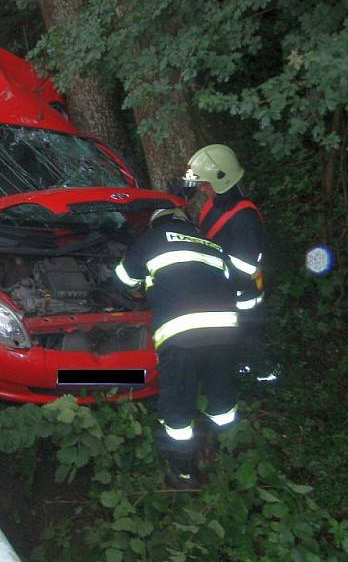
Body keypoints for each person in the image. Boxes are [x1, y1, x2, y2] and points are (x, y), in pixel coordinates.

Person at [114, 207, 240, 489]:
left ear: (155, 223)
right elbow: (231, 284)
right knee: (221, 395)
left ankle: (183, 473)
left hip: (181, 335)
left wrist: (146, 285)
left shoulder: (150, 239)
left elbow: (123, 280)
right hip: (225, 332)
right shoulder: (213, 245)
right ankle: (226, 453)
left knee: (178, 402)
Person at [182, 144, 273, 380]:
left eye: (205, 184)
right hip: (222, 290)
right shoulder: (215, 205)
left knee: (247, 339)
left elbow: (244, 267)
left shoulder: (244, 218)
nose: (202, 189)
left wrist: (213, 285)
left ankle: (258, 375)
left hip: (243, 296)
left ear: (220, 179)